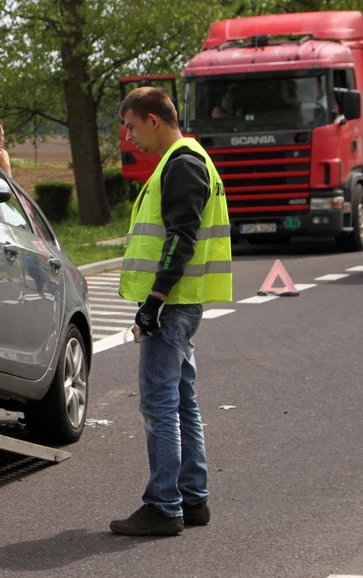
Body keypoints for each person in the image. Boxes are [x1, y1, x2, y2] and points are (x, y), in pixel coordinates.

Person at [110, 86, 232, 537]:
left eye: (131, 125)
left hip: (172, 303)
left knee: (159, 403)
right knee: (181, 400)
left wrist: (153, 302)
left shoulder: (181, 163)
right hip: (181, 301)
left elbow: (180, 236)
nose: (129, 135)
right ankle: (193, 498)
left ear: (153, 120)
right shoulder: (189, 158)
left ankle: (164, 506)